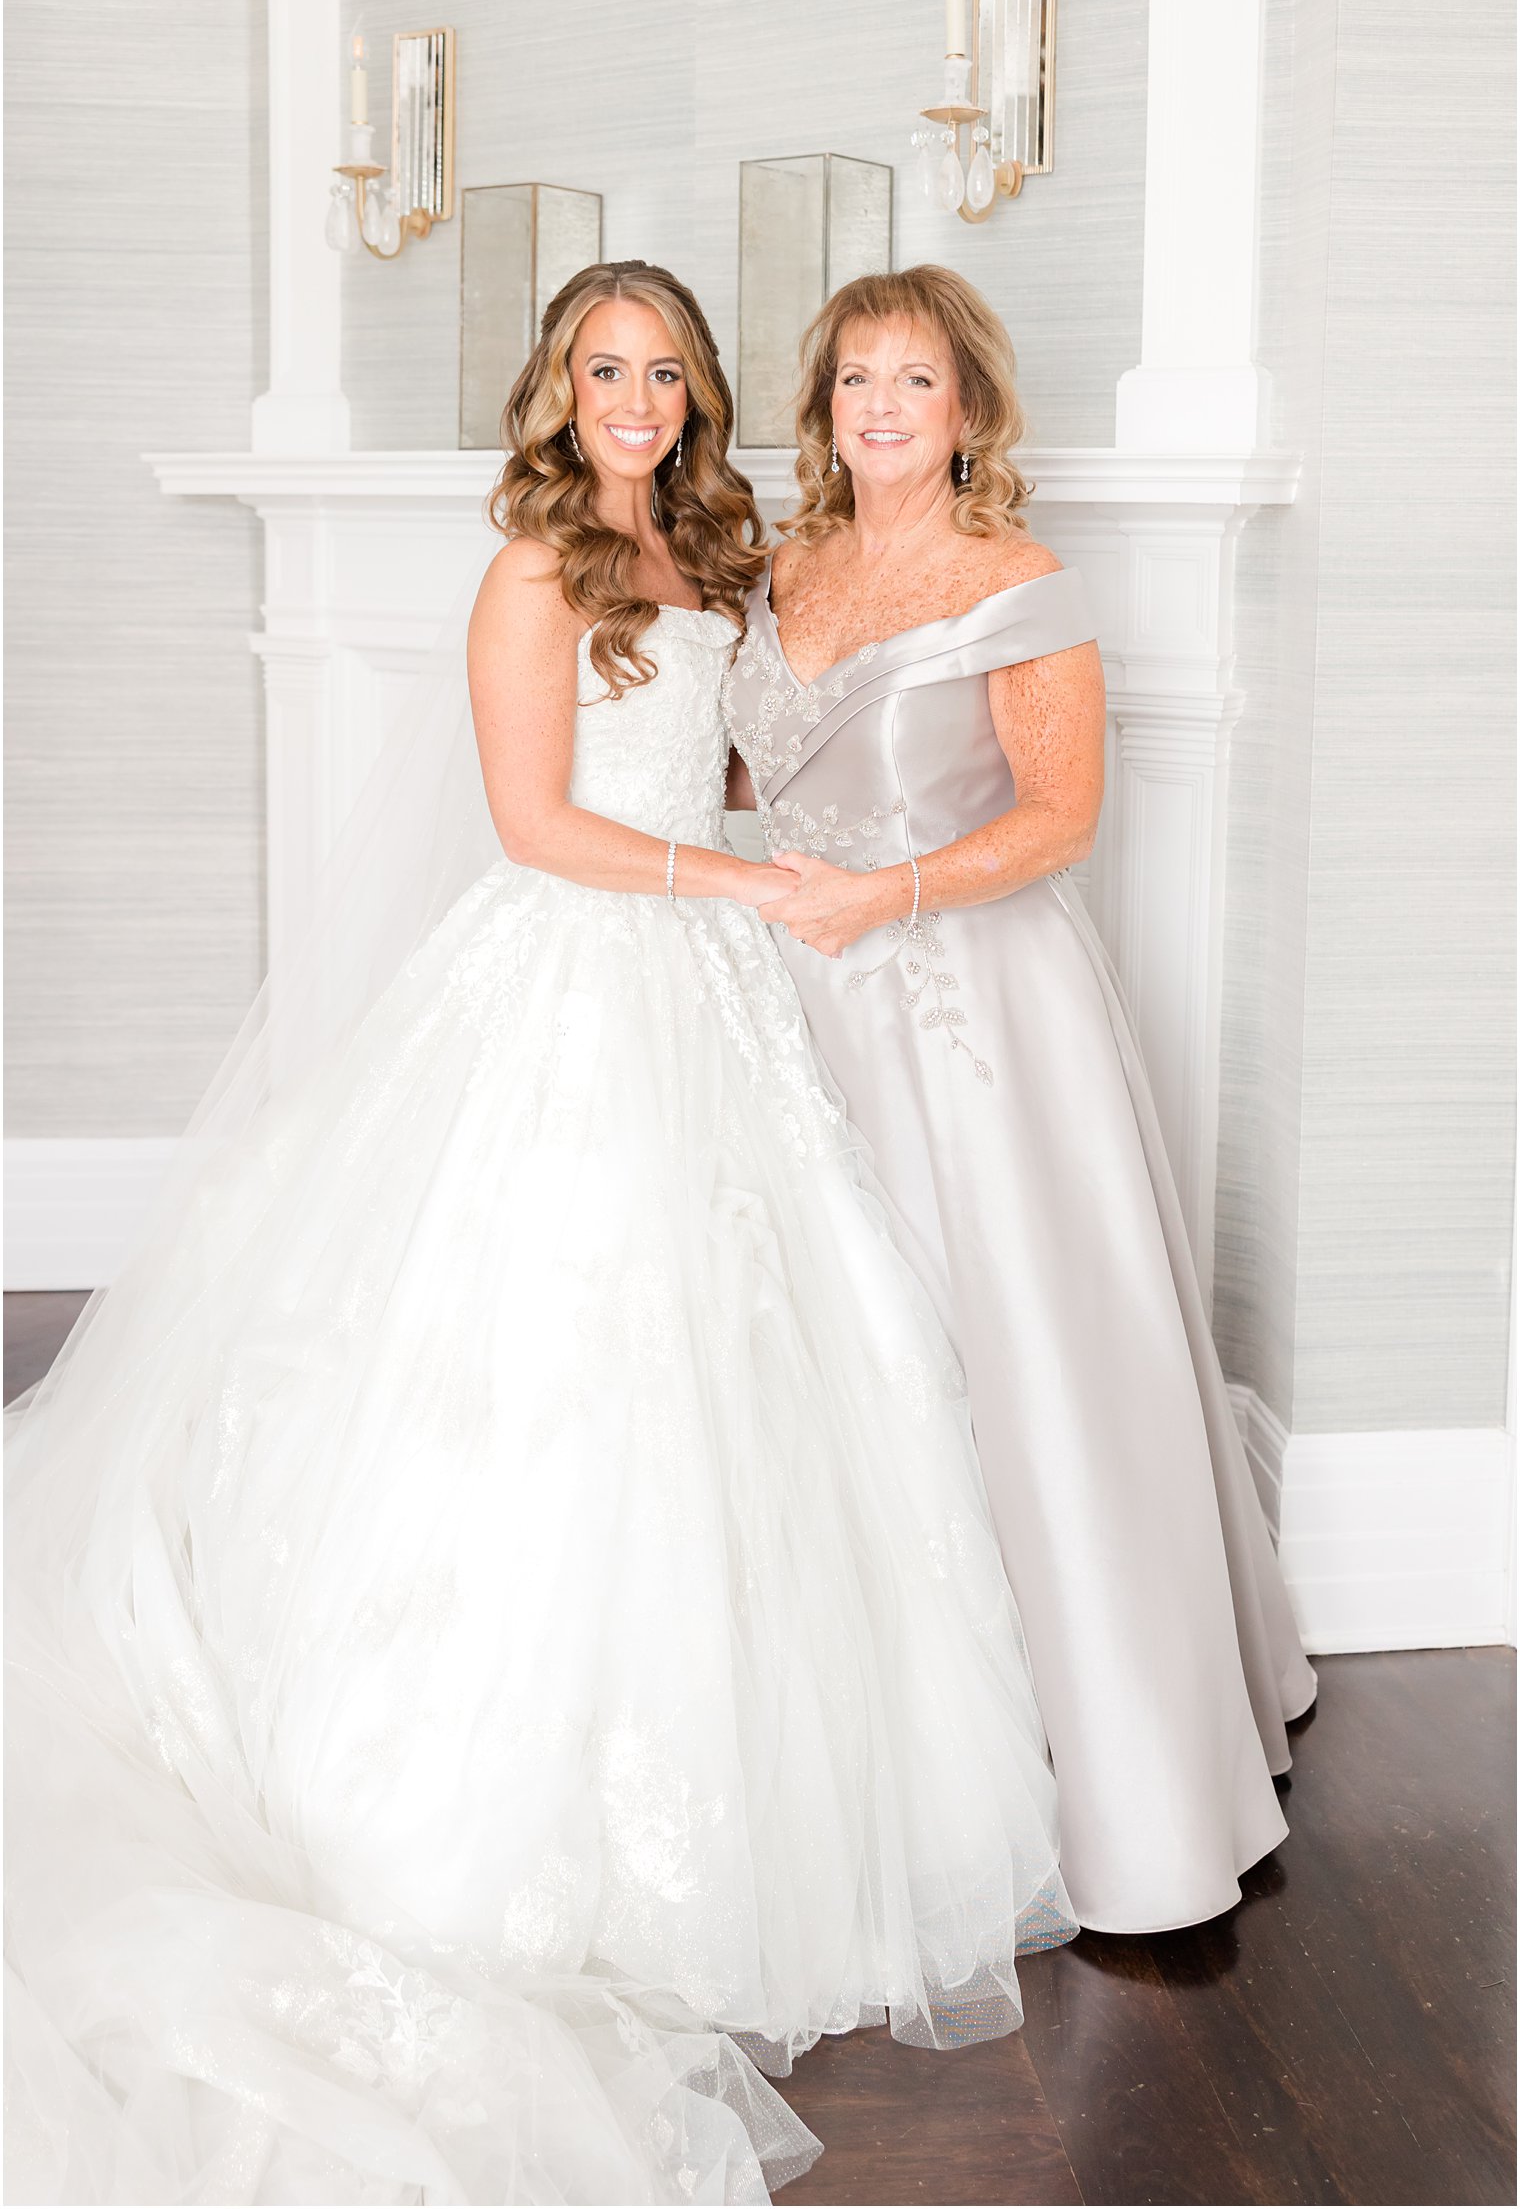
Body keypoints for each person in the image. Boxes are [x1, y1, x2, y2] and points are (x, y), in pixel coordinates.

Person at [4, 261, 1078, 2208]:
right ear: (556, 390)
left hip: (722, 987)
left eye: (665, 369)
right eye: (605, 369)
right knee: (546, 1365)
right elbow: (535, 822)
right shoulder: (532, 568)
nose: (638, 398)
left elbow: (737, 754)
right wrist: (727, 873)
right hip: (577, 974)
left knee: (759, 1357)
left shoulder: (719, 554)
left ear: (697, 392)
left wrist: (805, 838)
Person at [724, 264, 1317, 1936]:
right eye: (855, 380)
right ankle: (871, 1740)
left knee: (1018, 1352)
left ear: (969, 407)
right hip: (785, 990)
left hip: (962, 1005)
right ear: (823, 405)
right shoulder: (779, 568)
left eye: (915, 380)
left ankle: (1117, 1757)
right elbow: (749, 779)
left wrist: (882, 900)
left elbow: (1060, 817)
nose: (882, 409)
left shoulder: (1020, 583)